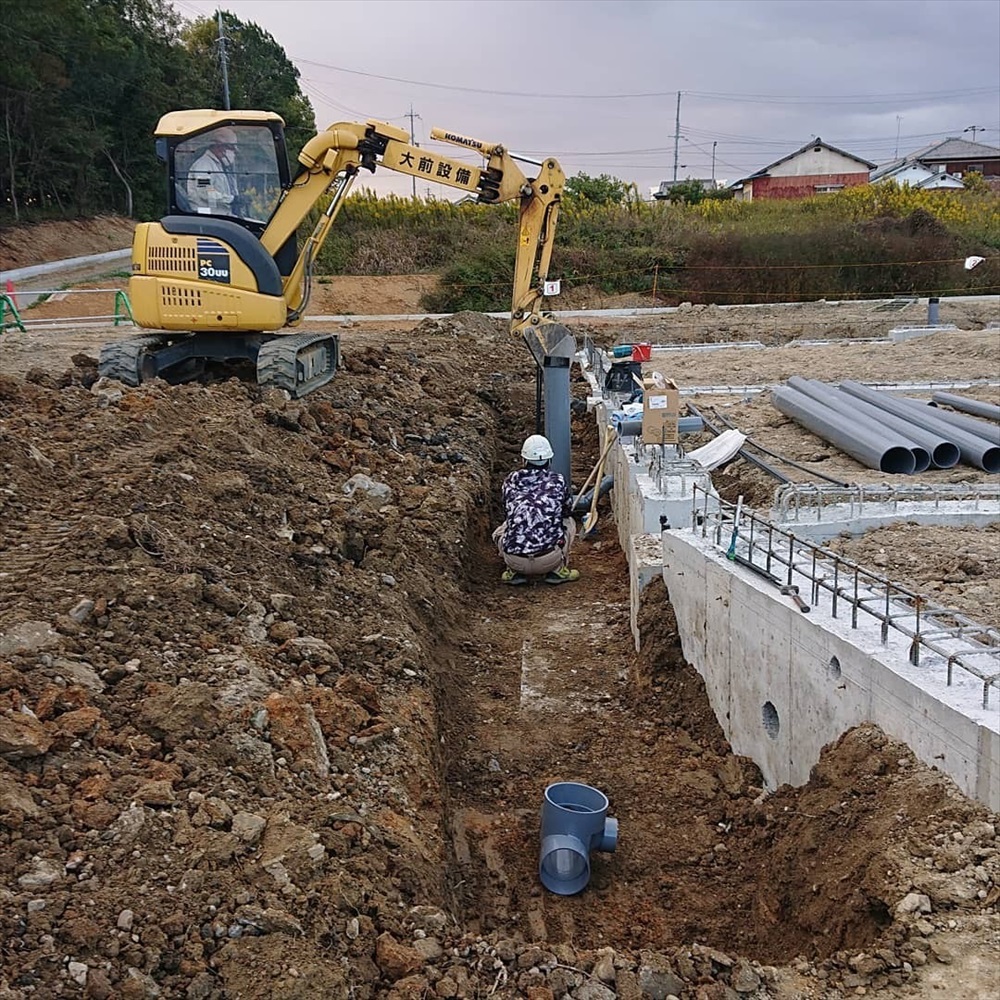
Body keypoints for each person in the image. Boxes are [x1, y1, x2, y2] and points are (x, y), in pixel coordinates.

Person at [493, 434, 580, 586]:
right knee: (569, 523)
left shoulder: (511, 480)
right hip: (548, 560)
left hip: (515, 561)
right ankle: (558, 570)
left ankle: (513, 572)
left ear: (524, 459)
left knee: (501, 530)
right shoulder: (557, 481)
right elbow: (566, 511)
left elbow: (507, 510)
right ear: (550, 459)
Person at [186, 127, 239, 214]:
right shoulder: (203, 166)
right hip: (209, 217)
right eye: (231, 148)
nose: (233, 152)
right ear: (219, 146)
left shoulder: (217, 165)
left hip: (221, 214)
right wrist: (231, 199)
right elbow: (205, 191)